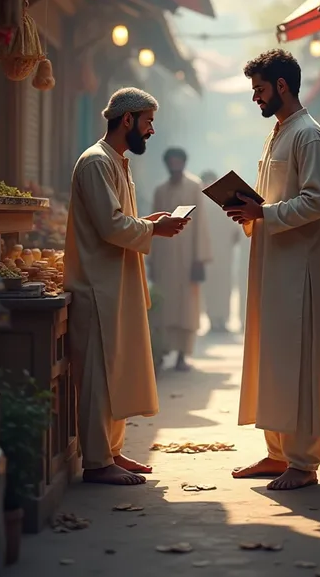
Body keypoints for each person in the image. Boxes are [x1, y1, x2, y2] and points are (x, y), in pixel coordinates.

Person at [64, 88, 190, 486]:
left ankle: (112, 453)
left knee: (114, 373)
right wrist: (154, 227)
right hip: (97, 288)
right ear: (127, 120)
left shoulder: (116, 162)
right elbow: (110, 226)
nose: (151, 130)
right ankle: (98, 463)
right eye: (148, 121)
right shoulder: (96, 162)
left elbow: (119, 218)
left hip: (116, 285)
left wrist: (148, 221)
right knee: (99, 378)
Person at [225, 49, 320, 491]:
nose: (256, 98)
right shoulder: (278, 133)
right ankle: (277, 453)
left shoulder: (309, 135)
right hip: (269, 261)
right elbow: (270, 200)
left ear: (282, 86)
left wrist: (265, 212)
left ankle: (304, 462)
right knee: (270, 357)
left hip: (296, 268)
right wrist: (250, 211)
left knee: (298, 360)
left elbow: (317, 200)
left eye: (260, 89)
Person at [150, 148, 211, 371]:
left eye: (178, 162)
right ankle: (161, 352)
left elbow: (201, 223)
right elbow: (152, 227)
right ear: (167, 164)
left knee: (187, 308)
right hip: (164, 259)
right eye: (171, 162)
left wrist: (200, 259)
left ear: (184, 163)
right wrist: (152, 261)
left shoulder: (195, 186)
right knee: (163, 308)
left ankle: (182, 355)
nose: (175, 165)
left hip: (188, 260)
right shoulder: (160, 191)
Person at [200, 170, 239, 333]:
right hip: (206, 253)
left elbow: (236, 229)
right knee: (209, 287)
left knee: (224, 287)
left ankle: (222, 320)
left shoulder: (226, 201)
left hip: (224, 253)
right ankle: (211, 320)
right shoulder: (199, 202)